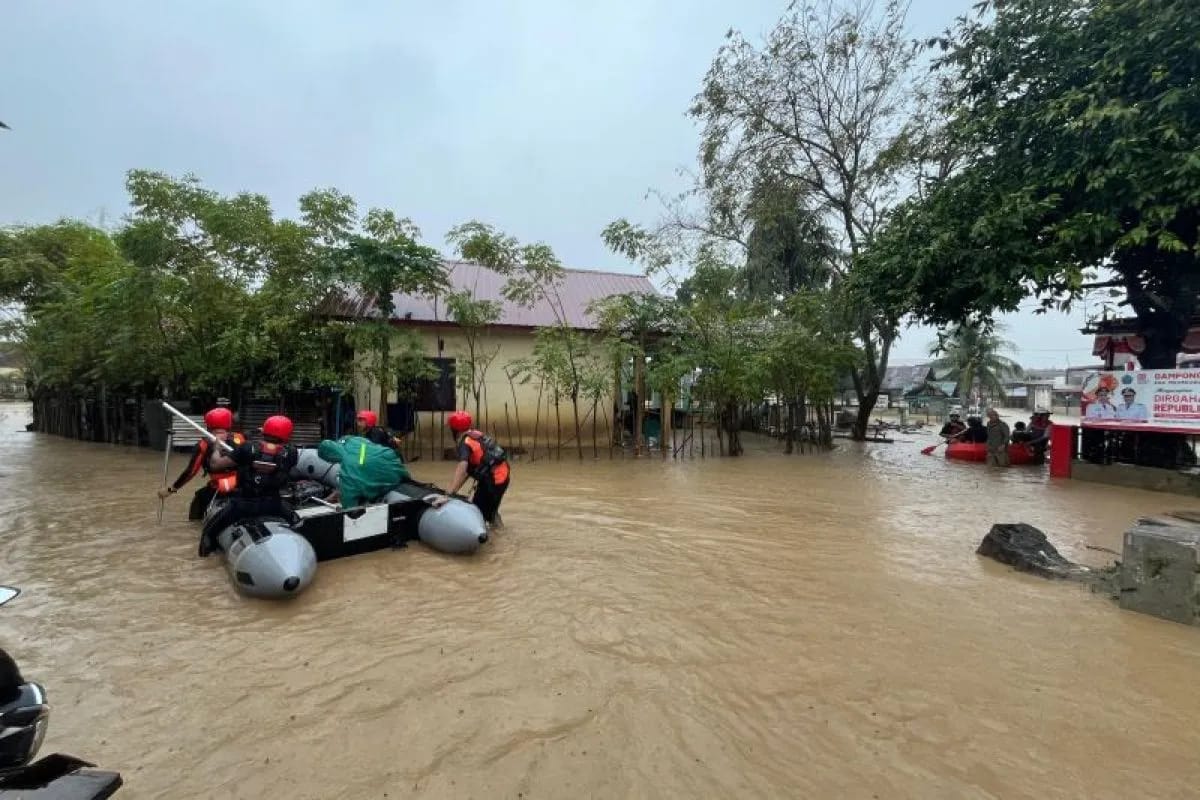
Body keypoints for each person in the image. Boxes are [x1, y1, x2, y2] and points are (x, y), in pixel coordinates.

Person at [198, 415, 299, 557]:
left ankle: (206, 551)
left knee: (209, 532)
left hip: (243, 505)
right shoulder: (292, 453)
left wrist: (216, 447)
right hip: (274, 505)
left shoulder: (246, 447)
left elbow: (215, 465)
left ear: (265, 431)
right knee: (297, 520)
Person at [157, 408, 246, 520]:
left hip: (218, 489)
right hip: (241, 486)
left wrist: (171, 489)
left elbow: (191, 472)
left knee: (199, 500)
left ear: (208, 425)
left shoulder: (204, 444)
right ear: (229, 424)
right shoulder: (240, 438)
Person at [446, 410, 510, 526]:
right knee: (491, 511)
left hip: (494, 480)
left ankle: (491, 538)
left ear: (455, 430)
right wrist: (453, 491)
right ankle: (499, 532)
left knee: (479, 512)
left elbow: (462, 467)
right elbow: (467, 472)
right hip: (503, 475)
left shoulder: (465, 443)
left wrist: (450, 494)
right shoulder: (476, 435)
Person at [315, 435, 410, 509]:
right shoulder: (352, 440)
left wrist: (343, 499)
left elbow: (350, 506)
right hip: (394, 461)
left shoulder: (348, 467)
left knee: (365, 490)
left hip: (389, 480)